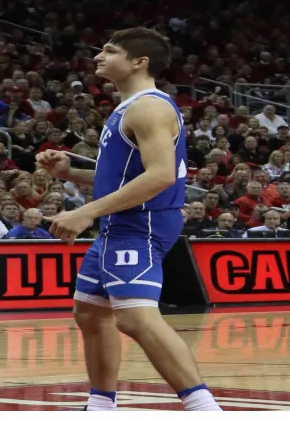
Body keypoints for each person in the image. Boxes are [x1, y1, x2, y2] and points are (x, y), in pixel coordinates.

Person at [38, 28, 222, 411]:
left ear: (139, 62)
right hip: (119, 223)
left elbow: (160, 176)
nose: (99, 57)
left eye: (109, 51)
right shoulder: (128, 107)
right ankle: (101, 405)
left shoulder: (148, 107)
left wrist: (84, 211)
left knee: (135, 318)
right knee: (90, 312)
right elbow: (120, 179)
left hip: (142, 222)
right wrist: (69, 173)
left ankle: (204, 408)